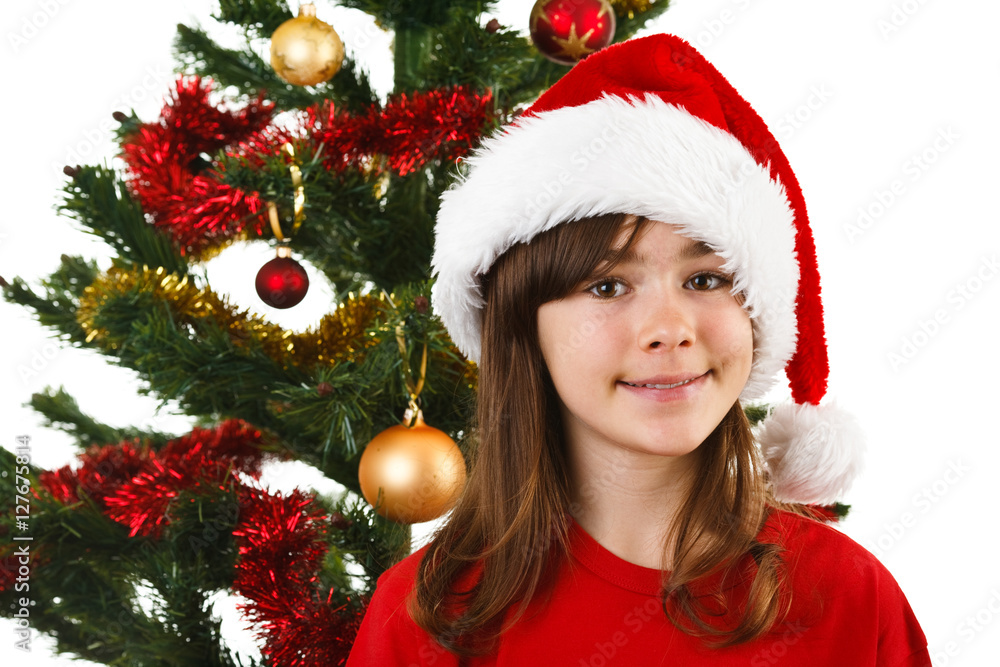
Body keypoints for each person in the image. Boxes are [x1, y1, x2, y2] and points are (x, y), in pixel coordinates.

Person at [347, 34, 930, 665]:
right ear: (524, 327)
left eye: (706, 279)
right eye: (606, 285)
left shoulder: (847, 595)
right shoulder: (429, 616)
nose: (670, 329)